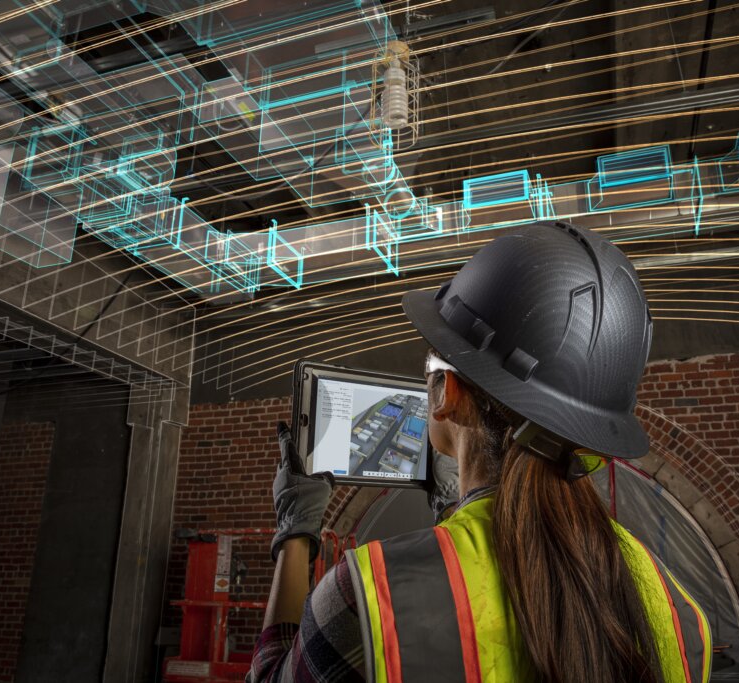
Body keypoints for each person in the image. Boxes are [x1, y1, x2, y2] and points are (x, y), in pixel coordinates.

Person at [250, 221, 711, 683]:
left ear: (445, 392)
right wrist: (452, 510)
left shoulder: (370, 595)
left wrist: (296, 533)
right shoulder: (679, 611)